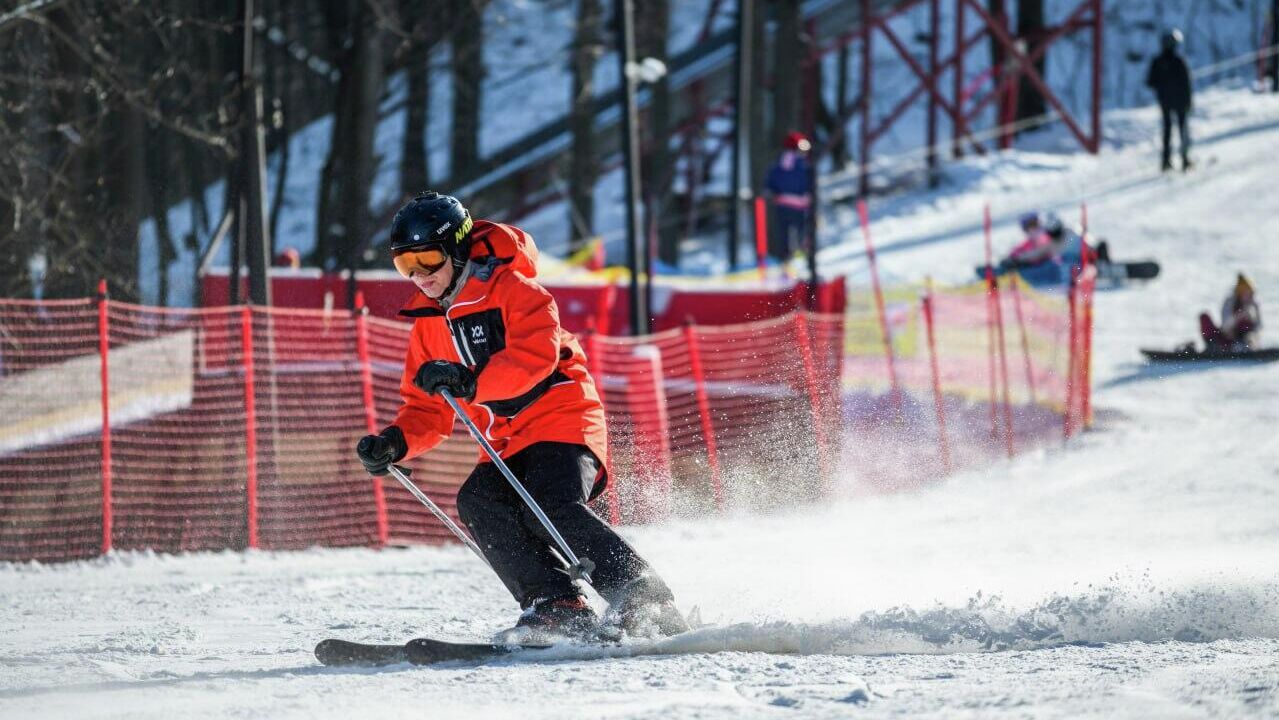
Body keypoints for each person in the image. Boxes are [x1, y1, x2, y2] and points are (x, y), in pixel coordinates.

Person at [354, 191, 688, 641]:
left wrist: (470, 382)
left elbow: (533, 360)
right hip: (503, 441)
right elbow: (427, 408)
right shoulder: (428, 325)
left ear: (456, 248)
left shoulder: (516, 291)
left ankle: (642, 595)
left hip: (562, 418)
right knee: (479, 501)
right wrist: (396, 442)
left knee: (548, 503)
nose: (419, 276)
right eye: (404, 265)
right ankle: (556, 605)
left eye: (428, 259)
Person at [1146, 29, 1193, 172]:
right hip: (1179, 101)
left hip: (1165, 101)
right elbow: (1186, 83)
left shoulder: (1157, 61)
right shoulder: (1179, 61)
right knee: (1182, 129)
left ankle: (1166, 161)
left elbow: (1150, 82)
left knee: (1167, 131)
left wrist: (1162, 85)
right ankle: (1184, 160)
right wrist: (1188, 101)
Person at [764, 131, 814, 265]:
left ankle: (785, 260)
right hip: (801, 205)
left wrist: (774, 192)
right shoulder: (803, 164)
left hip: (782, 205)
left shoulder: (778, 164)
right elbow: (807, 183)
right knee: (801, 235)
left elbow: (770, 182)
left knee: (784, 236)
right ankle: (801, 260)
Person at [1200, 273, 1262, 350]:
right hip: (1225, 338)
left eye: (1250, 294)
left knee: (1245, 324)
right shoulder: (1230, 302)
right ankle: (1213, 347)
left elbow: (1258, 328)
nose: (1248, 297)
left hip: (1243, 340)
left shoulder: (1252, 306)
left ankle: (1244, 347)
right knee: (1204, 317)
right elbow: (1225, 326)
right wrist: (1238, 317)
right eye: (1245, 293)